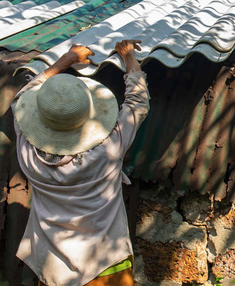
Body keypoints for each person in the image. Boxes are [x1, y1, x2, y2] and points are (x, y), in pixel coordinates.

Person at [12, 40, 148, 286]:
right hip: (106, 268)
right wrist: (128, 57)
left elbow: (21, 99)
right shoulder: (108, 150)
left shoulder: (28, 154)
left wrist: (66, 59)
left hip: (53, 271)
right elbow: (137, 103)